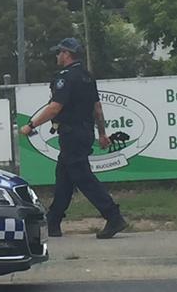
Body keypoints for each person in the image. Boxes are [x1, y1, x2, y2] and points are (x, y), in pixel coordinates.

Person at [19, 37, 127, 239]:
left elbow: (54, 108)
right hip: (84, 133)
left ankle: (113, 216)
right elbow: (97, 108)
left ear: (67, 54)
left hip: (71, 134)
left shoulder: (65, 77)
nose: (57, 55)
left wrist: (31, 125)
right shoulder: (87, 76)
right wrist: (102, 134)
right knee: (64, 178)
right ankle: (53, 220)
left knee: (83, 178)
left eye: (59, 52)